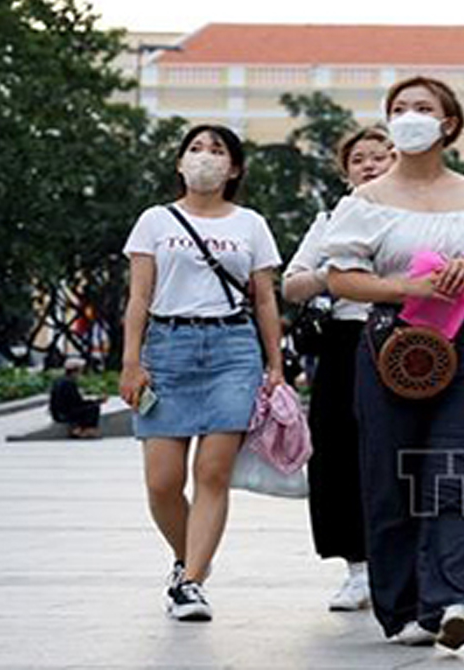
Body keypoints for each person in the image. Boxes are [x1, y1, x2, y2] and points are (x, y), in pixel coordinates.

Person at [322, 76, 464, 649]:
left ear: (449, 124)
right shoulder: (364, 200)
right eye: (400, 108)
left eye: (423, 108)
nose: (410, 116)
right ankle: (406, 607)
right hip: (390, 344)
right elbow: (341, 277)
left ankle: (455, 599)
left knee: (455, 470)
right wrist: (405, 286)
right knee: (390, 477)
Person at [119, 124, 285, 622]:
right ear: (179, 162)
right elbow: (140, 296)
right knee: (162, 482)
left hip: (233, 349)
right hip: (167, 348)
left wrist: (275, 364)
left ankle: (190, 582)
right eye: (196, 149)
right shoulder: (154, 220)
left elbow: (264, 298)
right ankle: (187, 556)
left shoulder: (250, 224)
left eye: (217, 151)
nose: (205, 157)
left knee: (212, 474)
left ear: (233, 168)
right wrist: (131, 361)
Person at [282, 126, 393, 612]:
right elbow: (291, 284)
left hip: (406, 341)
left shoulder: (419, 216)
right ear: (345, 171)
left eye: (378, 157)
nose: (369, 166)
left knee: (397, 453)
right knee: (336, 453)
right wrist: (335, 275)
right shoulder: (330, 221)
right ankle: (358, 568)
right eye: (358, 160)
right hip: (346, 341)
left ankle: (402, 562)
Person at [49, 356, 102, 439]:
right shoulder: (69, 383)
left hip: (58, 411)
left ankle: (80, 429)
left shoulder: (59, 381)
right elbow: (76, 403)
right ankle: (85, 430)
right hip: (65, 413)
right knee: (93, 407)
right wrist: (96, 401)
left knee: (91, 405)